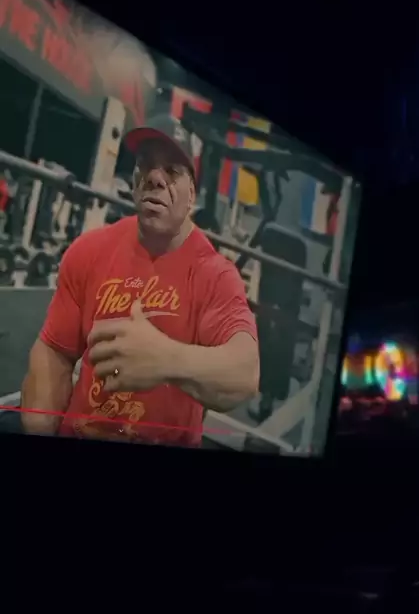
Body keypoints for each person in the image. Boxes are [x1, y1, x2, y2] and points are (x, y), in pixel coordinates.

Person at [21, 115, 259, 447]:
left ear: (192, 195)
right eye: (145, 164)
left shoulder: (214, 274)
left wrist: (167, 359)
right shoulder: (89, 251)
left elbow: (245, 374)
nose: (155, 178)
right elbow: (55, 351)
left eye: (172, 171)